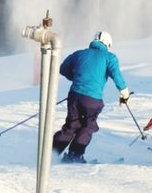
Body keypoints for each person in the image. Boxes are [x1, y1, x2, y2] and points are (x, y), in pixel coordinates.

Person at [53, 31, 131, 163]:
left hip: (75, 95)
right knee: (88, 126)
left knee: (71, 125)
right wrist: (124, 91)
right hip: (92, 99)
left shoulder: (79, 54)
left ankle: (51, 154)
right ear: (108, 44)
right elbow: (116, 74)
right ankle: (74, 155)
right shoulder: (109, 57)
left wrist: (76, 78)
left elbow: (62, 69)